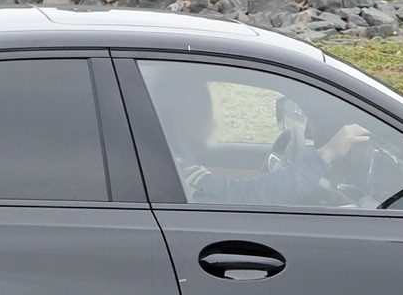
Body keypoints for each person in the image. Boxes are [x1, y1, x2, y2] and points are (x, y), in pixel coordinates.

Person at [151, 74, 369, 206]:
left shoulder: (170, 153)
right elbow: (240, 196)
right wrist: (327, 153)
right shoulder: (167, 166)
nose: (214, 116)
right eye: (204, 106)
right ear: (179, 113)